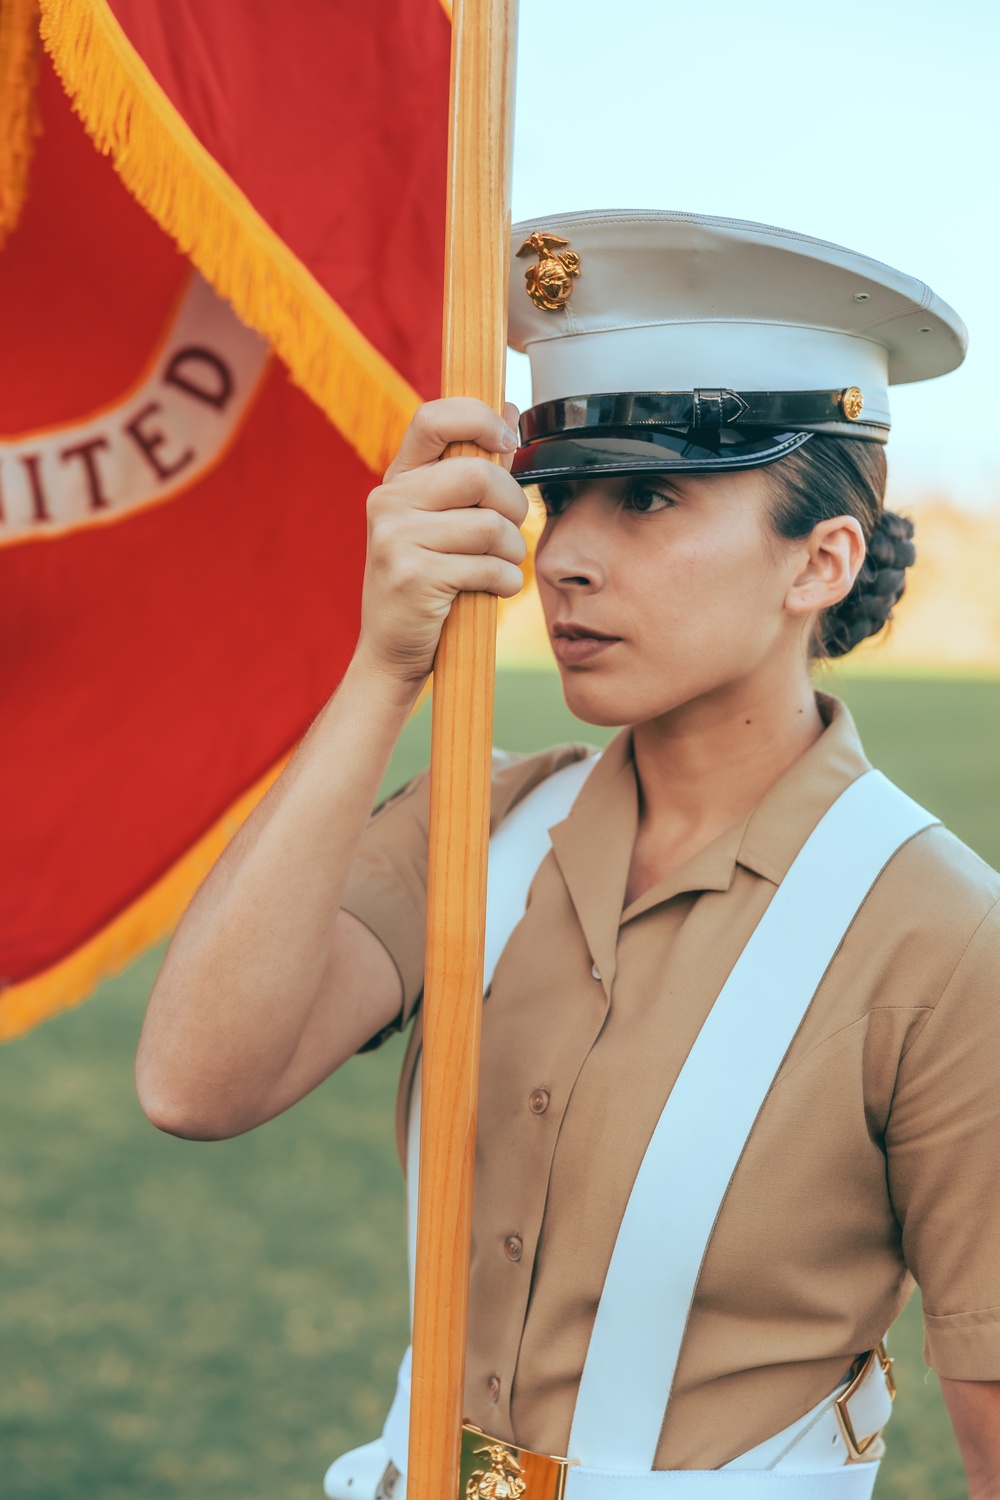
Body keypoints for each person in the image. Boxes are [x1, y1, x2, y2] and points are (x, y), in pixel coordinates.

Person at [136, 211, 1000, 1498]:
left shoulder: (948, 936)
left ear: (822, 558)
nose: (568, 558)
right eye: (559, 497)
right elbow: (196, 1087)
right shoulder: (477, 822)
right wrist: (384, 669)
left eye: (649, 497)